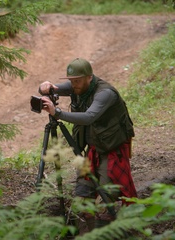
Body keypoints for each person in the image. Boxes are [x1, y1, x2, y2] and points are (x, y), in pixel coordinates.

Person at [38, 58, 137, 233]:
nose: (73, 85)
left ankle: (117, 227)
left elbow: (89, 117)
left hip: (112, 149)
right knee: (83, 196)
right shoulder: (77, 86)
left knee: (109, 192)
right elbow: (53, 88)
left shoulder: (105, 93)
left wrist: (57, 113)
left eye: (77, 81)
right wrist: (45, 87)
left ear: (89, 78)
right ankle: (89, 231)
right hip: (93, 148)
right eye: (71, 81)